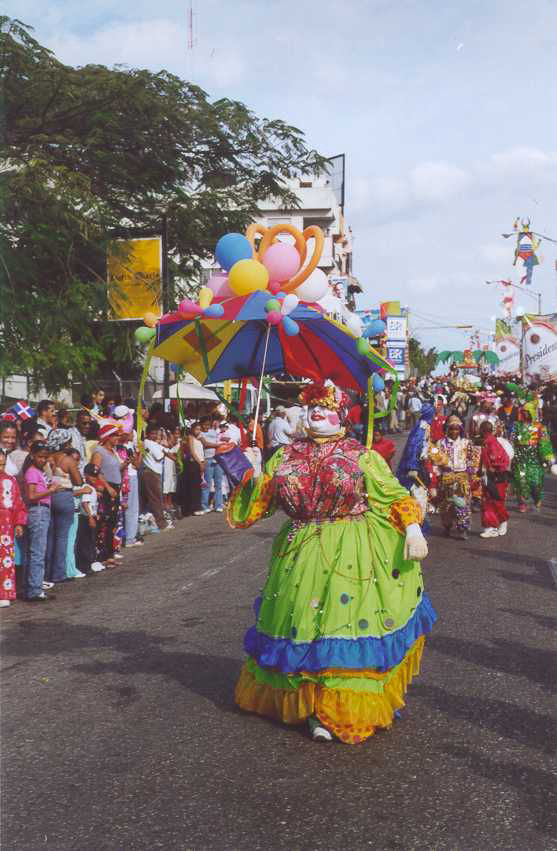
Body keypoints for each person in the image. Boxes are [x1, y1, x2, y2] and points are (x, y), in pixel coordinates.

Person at [229, 381, 434, 744]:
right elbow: (258, 506)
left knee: (340, 628)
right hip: (300, 551)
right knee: (303, 626)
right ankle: (308, 704)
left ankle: (337, 707)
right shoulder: (285, 455)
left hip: (352, 551)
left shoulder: (361, 455)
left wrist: (413, 528)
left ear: (340, 413)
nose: (315, 413)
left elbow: (391, 495)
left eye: (322, 407)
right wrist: (241, 464)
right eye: (309, 408)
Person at [23, 442, 63, 601]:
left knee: (38, 550)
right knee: (37, 551)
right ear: (32, 455)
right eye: (40, 456)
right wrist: (50, 490)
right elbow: (31, 496)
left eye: (45, 457)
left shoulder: (40, 471)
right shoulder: (32, 472)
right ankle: (34, 589)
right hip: (38, 510)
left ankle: (35, 586)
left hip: (43, 510)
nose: (43, 460)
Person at [46, 429, 85, 584]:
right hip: (64, 497)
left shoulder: (47, 457)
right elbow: (78, 481)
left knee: (50, 537)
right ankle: (58, 573)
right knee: (62, 537)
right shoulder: (67, 459)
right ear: (65, 443)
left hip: (49, 496)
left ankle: (47, 573)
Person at [433, 415, 478, 540]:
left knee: (462, 504)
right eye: (451, 429)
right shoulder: (440, 443)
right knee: (446, 505)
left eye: (456, 429)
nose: (454, 432)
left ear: (461, 430)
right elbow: (435, 462)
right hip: (446, 478)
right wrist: (439, 474)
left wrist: (471, 473)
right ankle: (447, 526)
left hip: (462, 478)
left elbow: (471, 460)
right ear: (447, 429)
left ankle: (463, 528)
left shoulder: (466, 443)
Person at [510, 404, 557, 512]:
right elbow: (512, 440)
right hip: (520, 458)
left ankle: (537, 500)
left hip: (535, 459)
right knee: (520, 480)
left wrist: (548, 456)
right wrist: (510, 453)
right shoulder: (516, 425)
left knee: (535, 483)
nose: (525, 413)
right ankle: (522, 503)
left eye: (528, 411)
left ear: (533, 412)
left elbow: (545, 443)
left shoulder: (540, 427)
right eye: (524, 411)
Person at [91, 424, 126, 565]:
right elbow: (95, 471)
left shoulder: (113, 451)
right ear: (108, 437)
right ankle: (102, 555)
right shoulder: (99, 452)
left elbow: (116, 469)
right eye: (115, 435)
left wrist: (126, 464)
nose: (118, 438)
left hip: (115, 488)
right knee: (104, 522)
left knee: (112, 522)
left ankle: (110, 554)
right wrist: (106, 486)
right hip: (107, 489)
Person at [0, 449, 27, 607]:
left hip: (6, 527)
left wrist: (19, 523)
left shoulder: (10, 480)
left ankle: (4, 593)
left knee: (6, 559)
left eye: (3, 464)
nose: (0, 467)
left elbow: (18, 503)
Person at [478, 422, 511, 538]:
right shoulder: (487, 443)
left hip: (497, 478)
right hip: (489, 477)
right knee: (487, 500)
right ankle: (490, 527)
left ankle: (502, 520)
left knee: (496, 501)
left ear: (483, 430)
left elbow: (501, 460)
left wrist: (494, 469)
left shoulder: (492, 443)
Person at [141, 423, 174, 530]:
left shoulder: (155, 443)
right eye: (152, 433)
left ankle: (160, 521)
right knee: (155, 500)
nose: (155, 435)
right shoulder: (147, 443)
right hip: (151, 473)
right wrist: (164, 451)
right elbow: (159, 456)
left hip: (157, 473)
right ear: (147, 434)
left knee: (157, 498)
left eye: (156, 433)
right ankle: (161, 523)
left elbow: (169, 452)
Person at [75, 463, 106, 574]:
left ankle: (90, 562)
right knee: (85, 542)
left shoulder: (92, 488)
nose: (94, 478)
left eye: (95, 476)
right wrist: (90, 517)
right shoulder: (86, 488)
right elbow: (85, 503)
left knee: (90, 541)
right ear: (86, 475)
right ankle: (85, 565)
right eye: (91, 476)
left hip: (91, 516)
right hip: (86, 517)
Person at [198, 417, 224, 514]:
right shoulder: (200, 434)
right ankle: (204, 505)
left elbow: (219, 439)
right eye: (205, 425)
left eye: (208, 424)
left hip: (217, 459)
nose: (206, 426)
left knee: (218, 484)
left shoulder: (214, 432)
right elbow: (205, 444)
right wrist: (217, 445)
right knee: (207, 484)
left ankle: (218, 505)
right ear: (201, 425)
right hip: (208, 459)